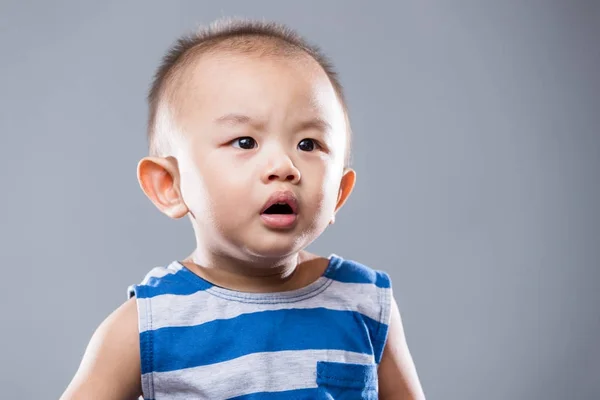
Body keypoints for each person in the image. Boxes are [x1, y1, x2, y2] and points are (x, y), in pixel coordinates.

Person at [61, 17, 425, 400]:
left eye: (308, 144)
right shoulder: (147, 325)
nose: (284, 166)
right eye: (245, 141)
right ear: (170, 185)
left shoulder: (364, 301)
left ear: (338, 193)